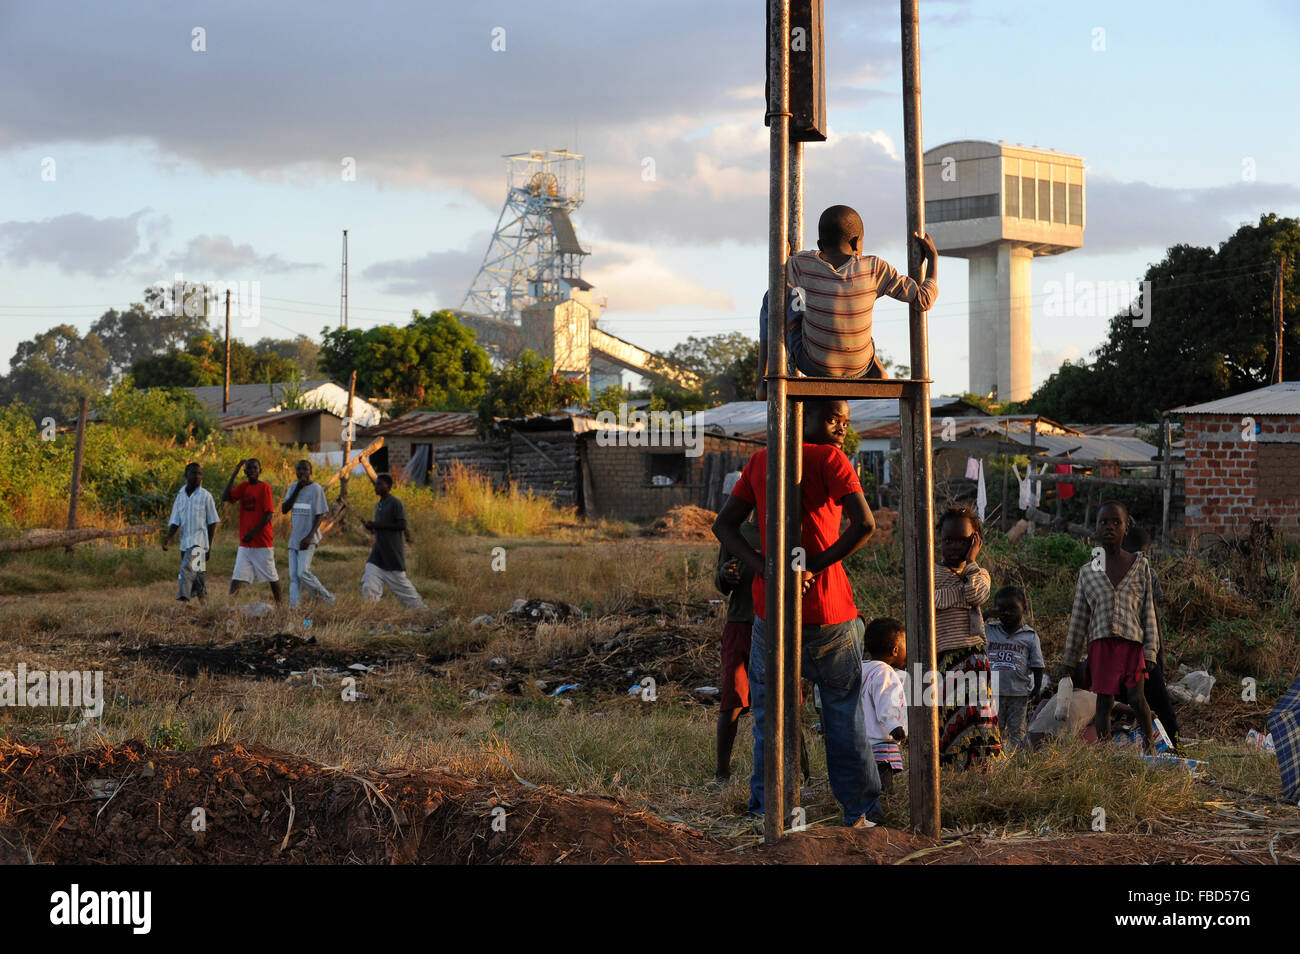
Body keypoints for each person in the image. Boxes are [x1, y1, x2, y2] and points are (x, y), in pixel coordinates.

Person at [712, 398, 881, 826]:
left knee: (771, 715)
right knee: (842, 713)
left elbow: (724, 525)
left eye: (844, 421)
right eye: (831, 418)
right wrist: (814, 565)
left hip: (773, 613)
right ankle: (859, 812)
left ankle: (769, 808)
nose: (840, 428)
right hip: (830, 612)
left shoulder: (762, 460)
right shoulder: (830, 458)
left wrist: (767, 570)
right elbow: (864, 525)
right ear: (800, 416)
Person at [756, 205, 938, 398]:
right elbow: (924, 300)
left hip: (814, 365)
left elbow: (779, 275)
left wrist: (784, 254)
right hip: (860, 368)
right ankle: (877, 370)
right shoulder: (875, 268)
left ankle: (763, 380)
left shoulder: (802, 264)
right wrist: (933, 260)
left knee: (773, 296)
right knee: (854, 312)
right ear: (856, 243)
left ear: (820, 244)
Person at [1059, 501, 1160, 752]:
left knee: (1138, 699)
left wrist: (1151, 651)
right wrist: (1069, 661)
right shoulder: (1087, 572)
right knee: (1104, 703)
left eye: (1117, 522)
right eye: (1104, 522)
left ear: (1126, 528)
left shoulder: (1140, 566)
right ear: (1096, 527)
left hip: (1132, 646)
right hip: (1101, 646)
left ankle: (1150, 748)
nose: (1110, 527)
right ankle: (1105, 754)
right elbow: (1079, 619)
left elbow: (1148, 612)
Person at [934, 506, 1001, 768]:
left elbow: (975, 595)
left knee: (978, 719)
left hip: (973, 657)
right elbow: (931, 601)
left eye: (963, 541)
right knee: (950, 719)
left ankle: (982, 773)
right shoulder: (931, 573)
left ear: (976, 541)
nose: (953, 546)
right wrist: (956, 595)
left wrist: (971, 563)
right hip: (942, 658)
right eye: (948, 540)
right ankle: (953, 772)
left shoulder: (979, 573)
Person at [712, 471, 762, 786]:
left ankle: (800, 775)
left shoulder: (783, 530)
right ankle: (722, 773)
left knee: (782, 704)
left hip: (771, 626)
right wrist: (725, 576)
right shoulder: (734, 532)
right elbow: (721, 582)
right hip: (740, 624)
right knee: (733, 699)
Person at [1122, 524, 1180, 752]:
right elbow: (1154, 616)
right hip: (1140, 650)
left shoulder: (1111, 568)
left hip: (1132, 650)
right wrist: (1159, 650)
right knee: (1158, 704)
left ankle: (1171, 747)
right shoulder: (1146, 571)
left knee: (1131, 702)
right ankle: (1171, 747)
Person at [985, 586, 1044, 753]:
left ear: (1024, 608)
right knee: (992, 731)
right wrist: (988, 614)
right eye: (1002, 610)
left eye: (1012, 609)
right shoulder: (990, 630)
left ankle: (1016, 763)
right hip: (992, 693)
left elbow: (1037, 665)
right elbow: (972, 624)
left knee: (1017, 732)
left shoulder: (1030, 636)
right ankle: (994, 762)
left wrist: (1037, 689)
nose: (1007, 613)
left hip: (1018, 694)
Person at [361, 473, 426, 609]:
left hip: (392, 554)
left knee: (404, 590)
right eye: (376, 483)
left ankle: (421, 610)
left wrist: (378, 525)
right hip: (378, 553)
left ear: (388, 487)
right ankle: (368, 612)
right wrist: (372, 527)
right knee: (369, 582)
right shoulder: (378, 505)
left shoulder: (396, 503)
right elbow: (381, 528)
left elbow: (401, 525)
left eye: (379, 484)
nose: (376, 486)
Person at [222, 458, 281, 603]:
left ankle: (280, 605)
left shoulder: (265, 487)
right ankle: (229, 606)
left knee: (271, 576)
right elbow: (225, 497)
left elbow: (268, 514)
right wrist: (234, 473)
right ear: (245, 471)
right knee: (237, 575)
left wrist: (253, 532)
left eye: (255, 468)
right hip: (245, 543)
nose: (252, 471)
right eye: (249, 468)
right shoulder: (243, 487)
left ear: (260, 471)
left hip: (262, 542)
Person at [860, 617, 907, 798]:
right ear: (895, 650)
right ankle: (883, 813)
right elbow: (886, 702)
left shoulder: (862, 668)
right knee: (884, 787)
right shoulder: (885, 672)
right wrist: (894, 726)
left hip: (861, 741)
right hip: (881, 743)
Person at [161, 462, 219, 603]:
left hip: (199, 542)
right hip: (184, 543)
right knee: (197, 576)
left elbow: (212, 522)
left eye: (200, 473)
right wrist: (168, 538)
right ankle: (205, 603)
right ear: (186, 475)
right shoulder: (180, 496)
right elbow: (175, 520)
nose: (197, 476)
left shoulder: (206, 496)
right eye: (194, 473)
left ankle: (184, 599)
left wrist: (209, 547)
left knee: (186, 569)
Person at [281, 459, 335, 608]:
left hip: (308, 538)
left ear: (311, 472)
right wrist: (297, 489)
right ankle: (294, 608)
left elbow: (320, 515)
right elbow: (284, 509)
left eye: (305, 469)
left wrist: (310, 536)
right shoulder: (293, 487)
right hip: (295, 538)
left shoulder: (316, 489)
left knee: (302, 572)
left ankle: (326, 599)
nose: (301, 473)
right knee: (294, 577)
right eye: (299, 469)